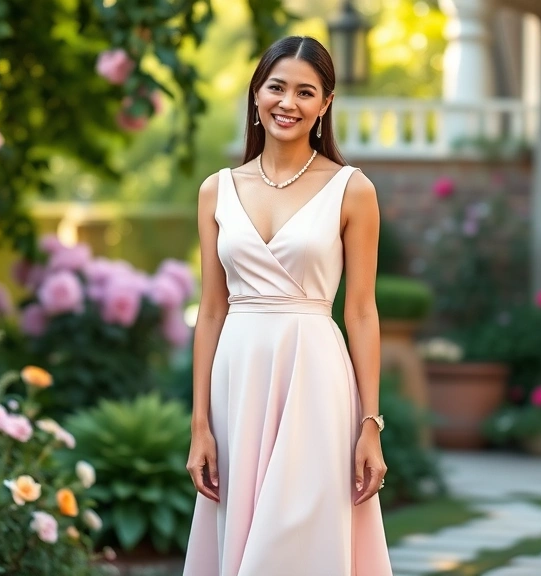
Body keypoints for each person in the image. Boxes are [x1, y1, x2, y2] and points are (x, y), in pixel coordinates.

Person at [181, 36, 393, 575]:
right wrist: (200, 425)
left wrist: (371, 423)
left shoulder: (353, 190)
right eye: (276, 87)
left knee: (300, 535)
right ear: (256, 94)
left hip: (314, 378)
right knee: (242, 529)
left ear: (324, 105)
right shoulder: (216, 190)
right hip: (239, 380)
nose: (288, 102)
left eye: (306, 91)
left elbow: (362, 312)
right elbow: (210, 312)